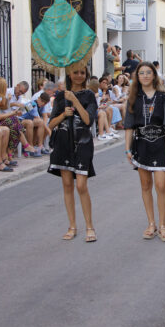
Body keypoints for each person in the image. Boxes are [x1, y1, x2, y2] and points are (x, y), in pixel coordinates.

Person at [124, 62, 165, 242]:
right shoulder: (133, 98)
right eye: (141, 73)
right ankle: (151, 223)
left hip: (161, 144)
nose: (145, 75)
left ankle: (163, 225)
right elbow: (129, 126)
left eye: (148, 72)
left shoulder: (164, 98)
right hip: (141, 145)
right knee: (146, 186)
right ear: (137, 77)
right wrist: (127, 149)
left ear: (154, 75)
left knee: (161, 185)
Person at [48, 66, 98, 243]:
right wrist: (63, 114)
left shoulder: (90, 96)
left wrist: (75, 102)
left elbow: (88, 120)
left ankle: (90, 226)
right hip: (62, 143)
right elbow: (51, 124)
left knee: (81, 186)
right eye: (75, 72)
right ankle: (72, 226)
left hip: (83, 143)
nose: (79, 76)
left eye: (82, 73)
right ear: (69, 74)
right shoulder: (61, 96)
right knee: (67, 185)